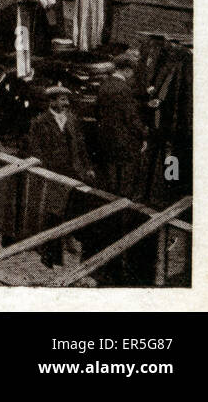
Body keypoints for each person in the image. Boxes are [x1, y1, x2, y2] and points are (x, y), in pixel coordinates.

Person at [23, 85, 95, 268]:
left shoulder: (72, 119)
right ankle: (51, 254)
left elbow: (81, 146)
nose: (66, 103)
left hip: (73, 170)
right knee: (53, 211)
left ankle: (69, 238)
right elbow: (35, 149)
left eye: (66, 99)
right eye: (62, 100)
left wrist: (87, 167)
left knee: (71, 207)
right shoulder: (39, 122)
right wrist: (42, 170)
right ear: (52, 101)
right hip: (52, 172)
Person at [93, 52, 149, 199]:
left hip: (105, 138)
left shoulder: (104, 85)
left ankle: (109, 203)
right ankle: (124, 207)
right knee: (125, 179)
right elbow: (130, 118)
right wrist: (144, 135)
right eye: (131, 72)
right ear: (127, 70)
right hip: (124, 141)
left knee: (110, 177)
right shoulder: (124, 89)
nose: (131, 75)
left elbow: (97, 112)